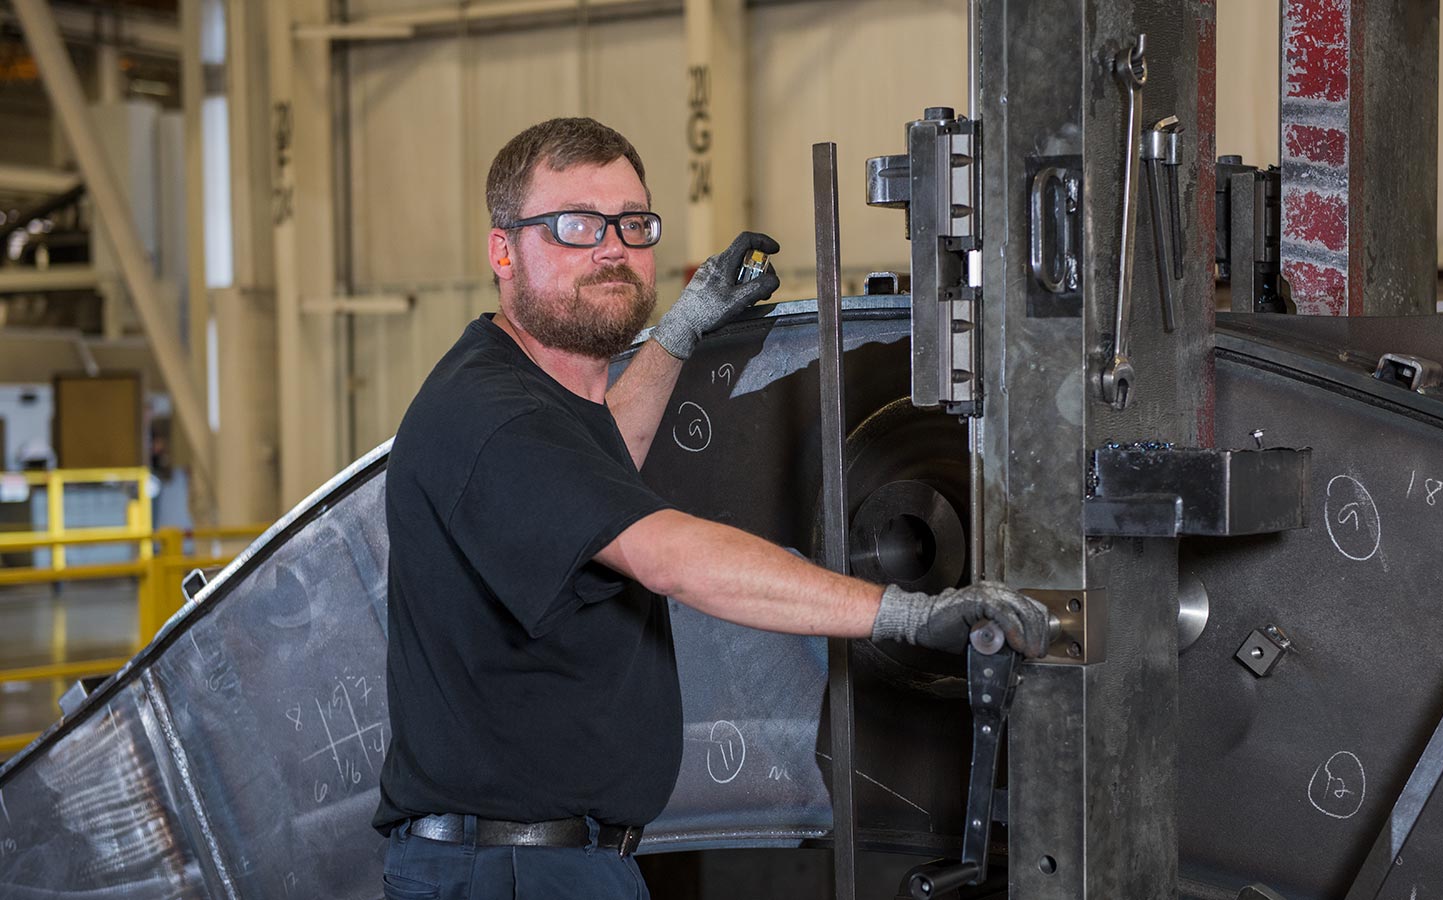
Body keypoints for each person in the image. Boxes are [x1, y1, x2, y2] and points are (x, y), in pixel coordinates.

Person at [373, 117, 1052, 900]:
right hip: (511, 873)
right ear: (503, 250)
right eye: (574, 226)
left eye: (632, 224)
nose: (611, 248)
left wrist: (679, 333)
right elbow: (669, 555)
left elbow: (596, 476)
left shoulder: (534, 398)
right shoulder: (493, 414)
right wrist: (901, 614)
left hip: (550, 862)